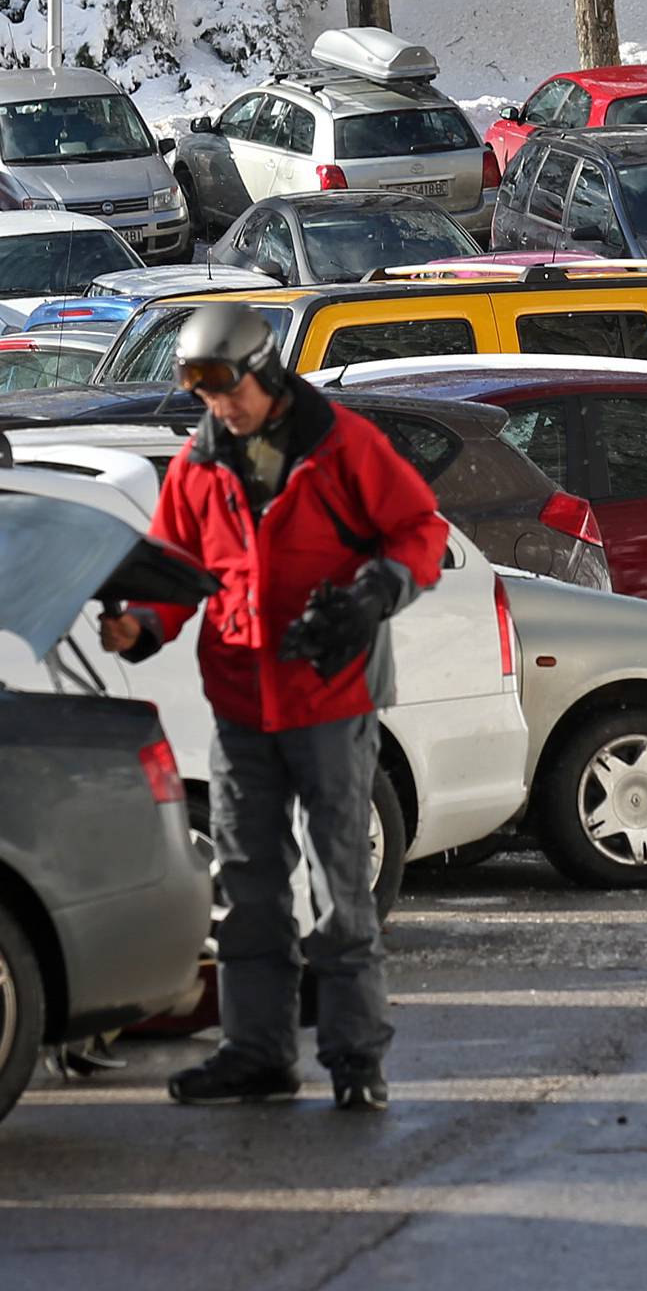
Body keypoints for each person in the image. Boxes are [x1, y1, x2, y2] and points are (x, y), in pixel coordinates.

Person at [101, 303, 447, 1111]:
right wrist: (139, 625)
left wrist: (377, 591)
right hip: (240, 707)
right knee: (250, 885)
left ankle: (356, 1059)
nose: (220, 407)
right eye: (204, 394)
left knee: (339, 884)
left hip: (329, 697)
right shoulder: (197, 466)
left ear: (265, 371)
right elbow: (175, 573)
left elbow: (419, 530)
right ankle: (256, 1054)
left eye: (228, 389)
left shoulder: (344, 446)